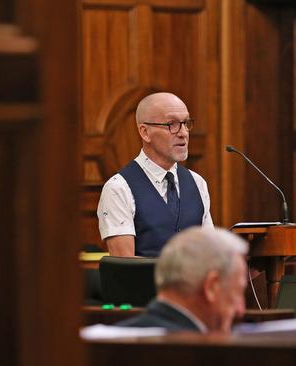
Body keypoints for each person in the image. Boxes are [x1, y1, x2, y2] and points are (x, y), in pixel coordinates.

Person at [97, 92, 213, 257]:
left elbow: (210, 254)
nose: (183, 133)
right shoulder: (118, 188)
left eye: (186, 123)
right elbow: (125, 268)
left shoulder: (197, 182)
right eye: (172, 124)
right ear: (145, 132)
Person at [117, 227, 248, 334]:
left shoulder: (109, 340)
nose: (240, 309)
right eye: (237, 292)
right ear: (211, 287)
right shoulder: (204, 356)